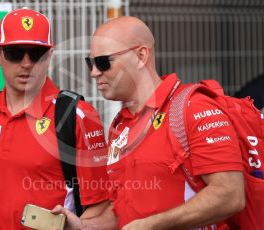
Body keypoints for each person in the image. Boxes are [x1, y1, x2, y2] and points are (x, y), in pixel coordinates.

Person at [52, 16, 245, 229]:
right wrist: (81, 227)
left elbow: (230, 194)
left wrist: (153, 224)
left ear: (141, 55)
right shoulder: (120, 125)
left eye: (103, 62)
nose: (94, 73)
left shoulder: (194, 107)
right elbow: (122, 211)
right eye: (90, 63)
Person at [0, 8, 109, 229]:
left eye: (36, 54)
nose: (26, 63)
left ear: (49, 55)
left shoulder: (76, 115)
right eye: (15, 53)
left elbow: (102, 208)